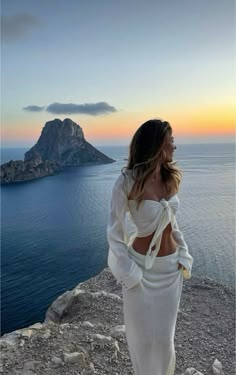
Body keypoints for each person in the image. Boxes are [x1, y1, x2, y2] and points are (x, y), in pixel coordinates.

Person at [107, 119, 194, 375]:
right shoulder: (127, 181)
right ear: (157, 143)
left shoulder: (170, 178)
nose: (174, 146)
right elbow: (114, 232)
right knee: (143, 342)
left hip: (170, 271)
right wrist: (129, 272)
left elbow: (171, 222)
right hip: (141, 271)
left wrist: (183, 252)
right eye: (171, 141)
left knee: (165, 341)